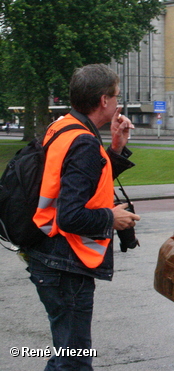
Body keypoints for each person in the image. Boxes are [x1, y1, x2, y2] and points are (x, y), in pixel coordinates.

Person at [24, 64, 140, 371]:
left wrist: (116, 148)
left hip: (49, 257)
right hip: (65, 264)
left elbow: (87, 184)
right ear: (104, 101)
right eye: (116, 96)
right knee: (73, 362)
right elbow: (71, 215)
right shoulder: (84, 142)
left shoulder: (63, 128)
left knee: (68, 358)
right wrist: (110, 218)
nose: (118, 103)